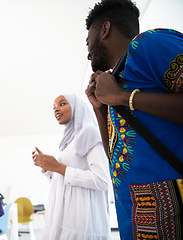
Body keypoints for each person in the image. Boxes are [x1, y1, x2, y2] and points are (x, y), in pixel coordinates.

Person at [85, 0, 183, 239]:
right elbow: (116, 158)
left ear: (105, 29)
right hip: (136, 214)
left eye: (88, 41)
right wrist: (101, 108)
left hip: (172, 210)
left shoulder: (149, 43)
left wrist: (121, 96)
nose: (87, 52)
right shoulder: (115, 79)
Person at [32, 94, 111, 240]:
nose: (56, 109)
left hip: (81, 219)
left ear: (77, 107)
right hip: (62, 215)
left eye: (62, 104)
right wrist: (46, 167)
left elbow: (102, 180)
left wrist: (58, 167)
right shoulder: (67, 142)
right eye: (54, 107)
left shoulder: (90, 132)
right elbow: (63, 183)